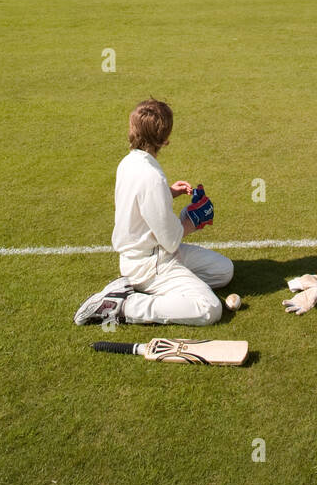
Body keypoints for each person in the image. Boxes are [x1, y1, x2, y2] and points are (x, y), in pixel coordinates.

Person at [73, 99, 234, 328]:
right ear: (165, 140)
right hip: (151, 265)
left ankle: (170, 291)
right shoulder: (152, 177)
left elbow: (140, 203)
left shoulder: (128, 163)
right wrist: (195, 218)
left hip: (145, 257)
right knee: (209, 308)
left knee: (224, 271)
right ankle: (123, 305)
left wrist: (168, 194)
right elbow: (170, 240)